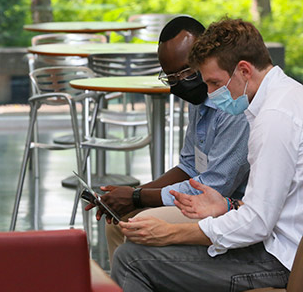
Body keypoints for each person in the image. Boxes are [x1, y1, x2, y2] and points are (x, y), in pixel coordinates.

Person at [111, 18, 303, 291]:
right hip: (274, 245)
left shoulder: (273, 120)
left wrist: (172, 234)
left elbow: (258, 224)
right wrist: (226, 207)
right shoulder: (288, 95)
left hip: (279, 259)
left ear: (244, 70)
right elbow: (279, 207)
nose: (210, 94)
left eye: (215, 83)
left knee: (132, 260)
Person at [86, 16, 250, 263]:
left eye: (185, 71)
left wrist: (136, 197)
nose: (180, 83)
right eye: (171, 78)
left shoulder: (232, 105)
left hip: (230, 208)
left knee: (138, 225)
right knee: (119, 223)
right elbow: (188, 167)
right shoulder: (200, 98)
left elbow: (214, 188)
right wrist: (133, 194)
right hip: (199, 200)